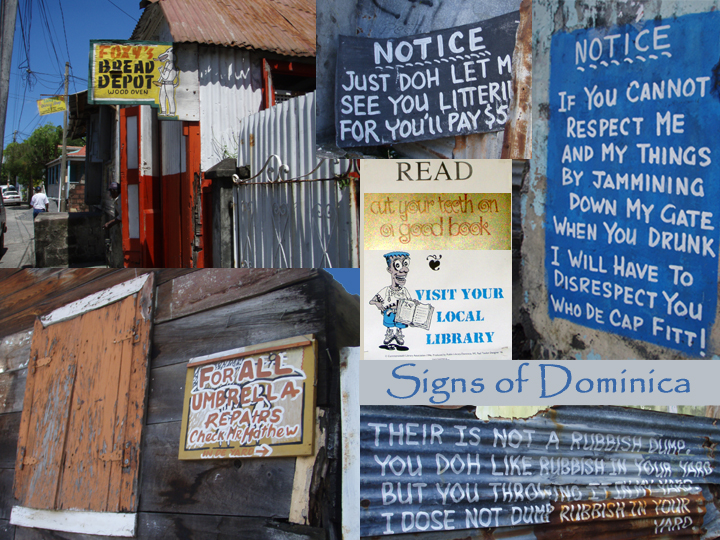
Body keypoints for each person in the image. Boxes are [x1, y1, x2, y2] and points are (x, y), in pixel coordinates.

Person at [369, 251, 414, 346]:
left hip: (401, 313)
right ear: (390, 270)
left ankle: (399, 333)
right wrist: (378, 304)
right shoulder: (386, 290)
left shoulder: (404, 291)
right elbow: (372, 301)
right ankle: (389, 333)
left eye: (405, 264)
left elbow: (410, 302)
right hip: (389, 313)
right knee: (389, 322)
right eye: (398, 265)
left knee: (400, 323)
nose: (404, 270)